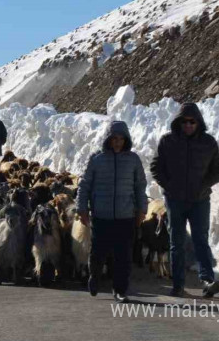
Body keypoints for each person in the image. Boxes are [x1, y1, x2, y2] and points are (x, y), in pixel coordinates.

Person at [150, 103, 219, 298]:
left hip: (199, 201)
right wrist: (169, 185)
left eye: (192, 121)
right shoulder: (168, 141)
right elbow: (155, 166)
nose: (188, 125)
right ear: (179, 122)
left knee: (201, 240)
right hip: (175, 200)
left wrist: (203, 185)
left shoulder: (208, 142)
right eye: (184, 121)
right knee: (177, 242)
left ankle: (208, 280)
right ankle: (178, 284)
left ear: (198, 122)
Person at [76, 121, 147, 303]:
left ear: (126, 140)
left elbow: (140, 186)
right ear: (108, 139)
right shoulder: (97, 159)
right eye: (114, 138)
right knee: (98, 252)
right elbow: (84, 185)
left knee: (123, 256)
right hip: (102, 215)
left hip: (126, 216)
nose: (117, 142)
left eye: (121, 139)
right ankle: (95, 275)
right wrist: (82, 209)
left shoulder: (133, 160)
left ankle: (120, 289)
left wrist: (141, 210)